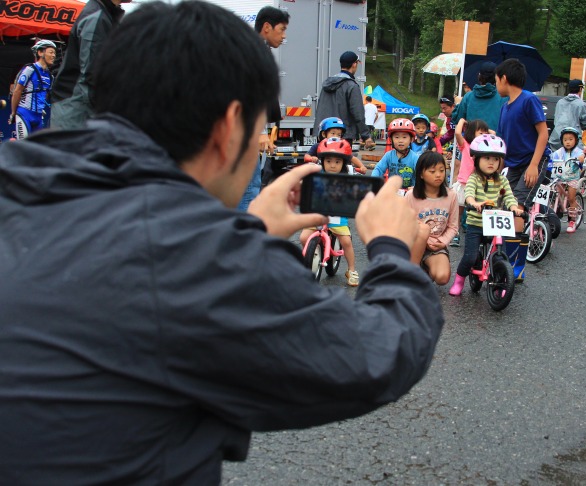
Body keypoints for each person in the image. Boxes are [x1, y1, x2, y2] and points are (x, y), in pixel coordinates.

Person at [0, 2, 444, 484]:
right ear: (230, 127)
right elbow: (378, 354)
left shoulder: (21, 173)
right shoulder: (199, 259)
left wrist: (248, 233)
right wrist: (394, 250)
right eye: (257, 132)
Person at [494, 58, 549, 281]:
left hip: (533, 162)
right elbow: (501, 143)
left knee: (517, 209)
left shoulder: (529, 100)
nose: (495, 84)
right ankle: (504, 260)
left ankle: (517, 266)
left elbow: (543, 133)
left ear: (504, 78)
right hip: (512, 165)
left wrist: (534, 165)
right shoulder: (504, 108)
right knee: (502, 208)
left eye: (496, 80)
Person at [449, 134, 521, 296]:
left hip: (495, 225)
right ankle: (459, 281)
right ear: (476, 159)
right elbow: (469, 193)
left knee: (501, 256)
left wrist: (514, 207)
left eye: (495, 159)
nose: (491, 162)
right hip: (476, 224)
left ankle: (500, 284)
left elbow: (507, 195)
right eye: (487, 158)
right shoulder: (474, 178)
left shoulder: (502, 182)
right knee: (470, 257)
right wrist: (473, 203)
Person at [238, 5, 290, 211]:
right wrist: (259, 132)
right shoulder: (253, 51)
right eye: (282, 29)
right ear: (267, 27)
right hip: (245, 134)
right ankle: (243, 237)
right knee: (249, 189)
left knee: (245, 187)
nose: (284, 36)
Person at [49, 0, 128, 130]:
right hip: (75, 110)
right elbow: (93, 74)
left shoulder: (106, 14)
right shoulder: (97, 17)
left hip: (78, 108)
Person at [299, 138, 360, 286]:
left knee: (346, 241)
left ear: (344, 163)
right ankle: (312, 255)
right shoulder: (316, 172)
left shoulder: (347, 176)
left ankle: (352, 270)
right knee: (303, 237)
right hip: (318, 213)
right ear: (322, 161)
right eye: (329, 161)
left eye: (337, 162)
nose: (332, 165)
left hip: (337, 215)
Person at [405, 152, 458, 285]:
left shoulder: (451, 196)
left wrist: (443, 242)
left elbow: (453, 226)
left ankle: (423, 271)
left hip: (436, 245)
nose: (438, 175)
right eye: (432, 171)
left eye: (441, 170)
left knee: (442, 277)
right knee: (421, 230)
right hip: (413, 243)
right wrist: (424, 239)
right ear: (421, 174)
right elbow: (404, 224)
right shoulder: (411, 196)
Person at [313, 51, 375, 150]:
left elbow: (321, 109)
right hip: (342, 135)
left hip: (325, 134)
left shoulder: (327, 84)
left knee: (326, 163)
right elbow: (358, 113)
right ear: (354, 64)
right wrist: (366, 136)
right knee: (341, 164)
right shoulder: (351, 86)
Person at [451, 118, 490, 246]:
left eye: (485, 133)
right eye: (481, 133)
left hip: (478, 185)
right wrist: (462, 122)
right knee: (459, 211)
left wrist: (484, 133)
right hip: (464, 183)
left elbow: (493, 134)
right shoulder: (466, 145)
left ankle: (474, 235)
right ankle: (455, 234)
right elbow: (457, 133)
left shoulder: (485, 149)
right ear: (472, 133)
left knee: (475, 211)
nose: (484, 135)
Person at [8, 40, 56, 139]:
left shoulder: (50, 76)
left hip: (38, 116)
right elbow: (17, 91)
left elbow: (45, 95)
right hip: (24, 113)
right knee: (23, 145)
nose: (54, 55)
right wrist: (13, 113)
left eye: (55, 53)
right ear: (40, 52)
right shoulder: (29, 69)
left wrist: (40, 107)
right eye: (51, 52)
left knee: (36, 149)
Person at [452, 61, 506, 134]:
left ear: (479, 76)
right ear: (496, 78)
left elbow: (457, 120)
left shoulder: (468, 97)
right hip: (495, 143)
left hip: (472, 142)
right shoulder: (503, 97)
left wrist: (458, 103)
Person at [550, 126, 585, 233]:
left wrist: (579, 159)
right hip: (560, 176)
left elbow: (582, 157)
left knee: (571, 198)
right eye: (565, 140)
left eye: (570, 139)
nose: (568, 142)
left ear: (576, 140)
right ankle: (557, 211)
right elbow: (552, 157)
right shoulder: (560, 151)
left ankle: (572, 220)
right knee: (555, 193)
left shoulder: (577, 151)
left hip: (572, 177)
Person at [371, 118, 420, 188]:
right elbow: (378, 169)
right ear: (391, 139)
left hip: (410, 194)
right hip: (392, 192)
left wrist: (417, 188)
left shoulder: (415, 158)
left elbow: (421, 176)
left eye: (404, 137)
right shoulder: (388, 156)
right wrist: (373, 181)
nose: (400, 140)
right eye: (397, 137)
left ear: (411, 139)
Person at [548, 79, 586, 151]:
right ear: (580, 89)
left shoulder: (560, 102)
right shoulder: (581, 104)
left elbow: (556, 120)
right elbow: (585, 123)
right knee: (574, 160)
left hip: (557, 139)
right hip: (573, 138)